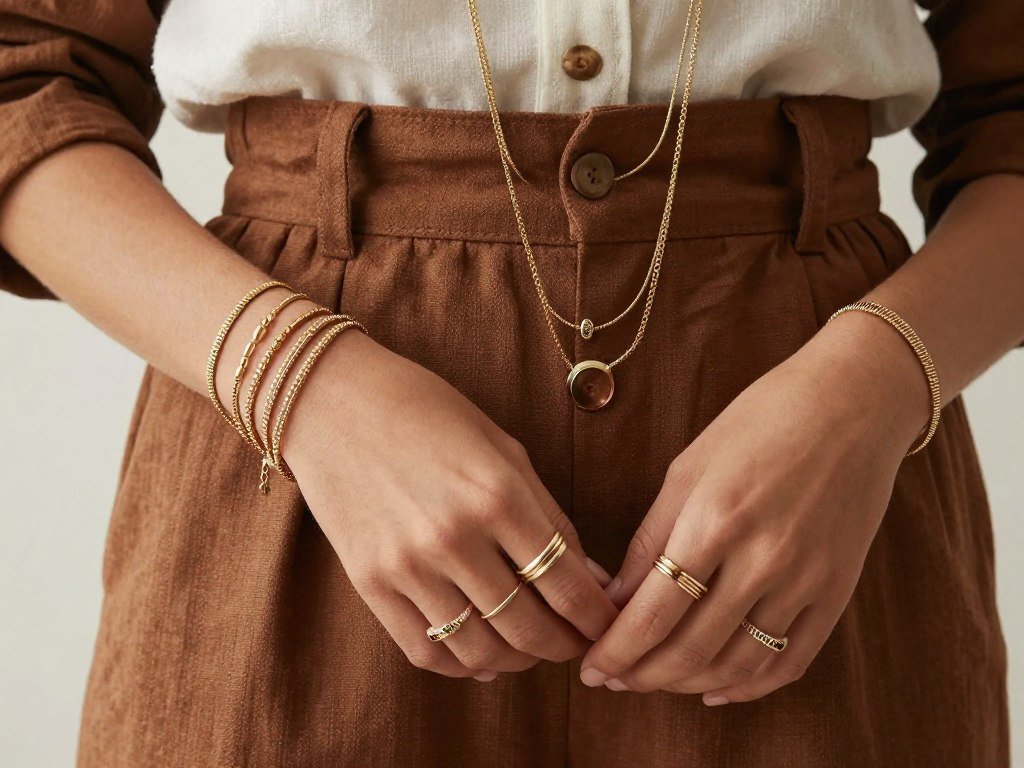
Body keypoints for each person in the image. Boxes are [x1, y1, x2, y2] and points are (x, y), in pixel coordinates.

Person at [1, 1, 1021, 766]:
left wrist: (871, 395)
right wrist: (299, 381)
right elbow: (20, 78)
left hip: (814, 480)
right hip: (309, 466)